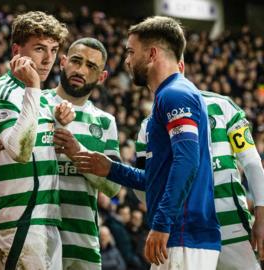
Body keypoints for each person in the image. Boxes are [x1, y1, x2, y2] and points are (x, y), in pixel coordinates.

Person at [73, 16, 221, 269]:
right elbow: (157, 179)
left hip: (182, 235)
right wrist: (111, 169)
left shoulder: (175, 94)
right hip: (180, 235)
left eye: (131, 52)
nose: (127, 60)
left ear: (152, 54)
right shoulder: (170, 96)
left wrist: (162, 223)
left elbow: (187, 161)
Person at [0, 37, 121, 269]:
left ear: (102, 77)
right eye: (76, 61)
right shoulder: (33, 100)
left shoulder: (105, 122)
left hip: (82, 243)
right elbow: (10, 146)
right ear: (63, 62)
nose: (81, 70)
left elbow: (113, 187)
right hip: (35, 234)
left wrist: (76, 152)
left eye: (91, 66)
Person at [0, 11, 72, 270]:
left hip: (48, 220)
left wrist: (60, 120)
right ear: (17, 50)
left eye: (53, 49)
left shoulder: (47, 98)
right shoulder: (1, 91)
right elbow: (19, 151)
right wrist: (33, 88)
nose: (48, 59)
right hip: (18, 222)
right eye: (39, 49)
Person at [135, 88, 264, 269]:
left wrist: (261, 215)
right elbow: (145, 186)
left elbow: (251, 163)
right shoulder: (148, 124)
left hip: (216, 230)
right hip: (194, 234)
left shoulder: (221, 106)